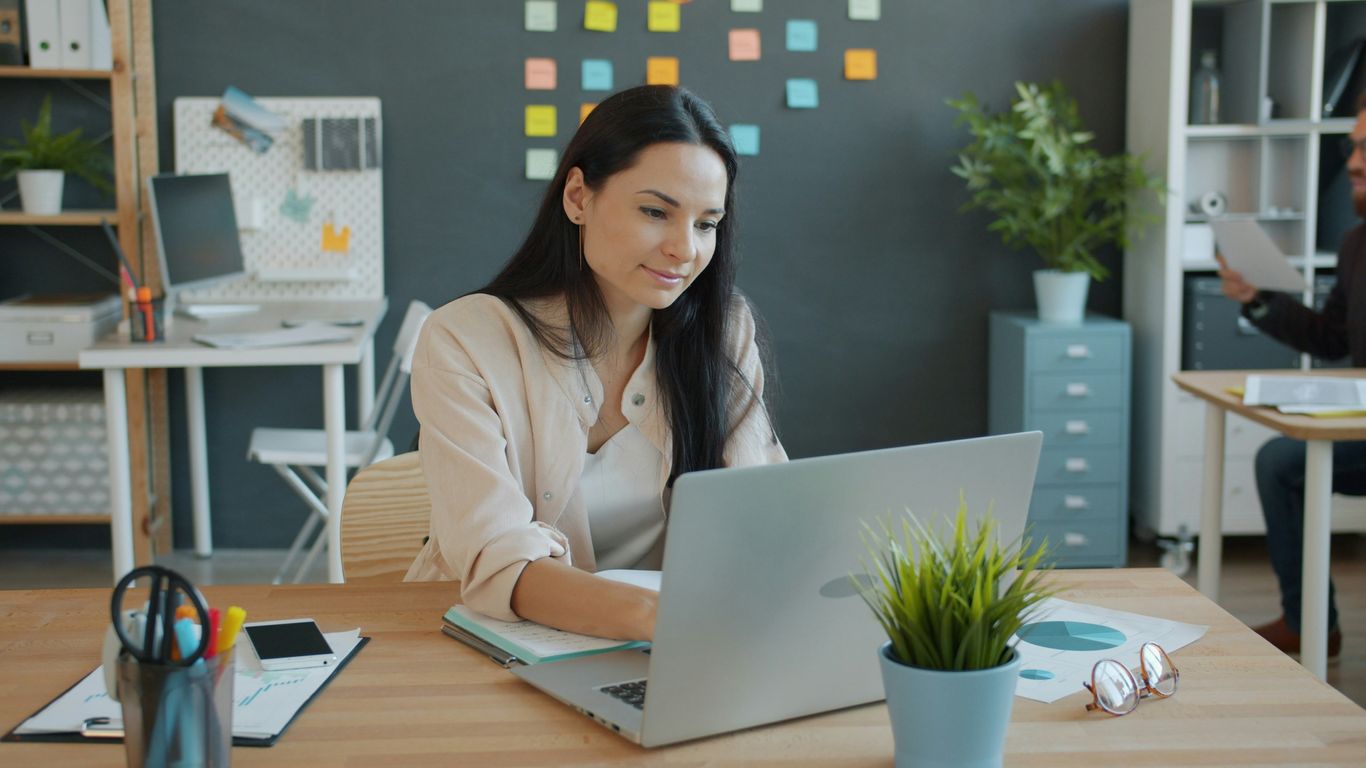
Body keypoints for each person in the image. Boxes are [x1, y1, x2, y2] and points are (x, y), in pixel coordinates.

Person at [404, 85, 786, 642]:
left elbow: (759, 514)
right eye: (656, 211)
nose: (684, 248)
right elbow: (499, 563)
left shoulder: (723, 332)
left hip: (665, 652)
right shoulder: (467, 339)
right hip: (494, 646)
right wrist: (668, 624)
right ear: (579, 196)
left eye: (707, 223)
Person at [1215, 94, 1366, 659]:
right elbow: (1332, 338)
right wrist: (1256, 299)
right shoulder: (1356, 244)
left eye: (1365, 147)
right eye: (1353, 145)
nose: (1352, 161)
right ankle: (1310, 624)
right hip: (1359, 429)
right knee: (1280, 461)